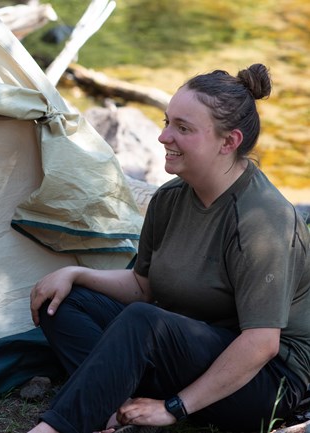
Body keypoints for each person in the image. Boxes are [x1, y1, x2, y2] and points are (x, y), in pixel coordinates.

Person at [27, 63, 310, 433]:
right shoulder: (170, 199)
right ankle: (118, 405)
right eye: (166, 122)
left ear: (229, 142)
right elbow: (143, 287)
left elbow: (261, 344)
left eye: (183, 128)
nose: (163, 137)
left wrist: (174, 408)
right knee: (63, 302)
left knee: (143, 323)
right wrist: (75, 273)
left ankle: (55, 428)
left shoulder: (262, 219)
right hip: (191, 348)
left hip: (266, 379)